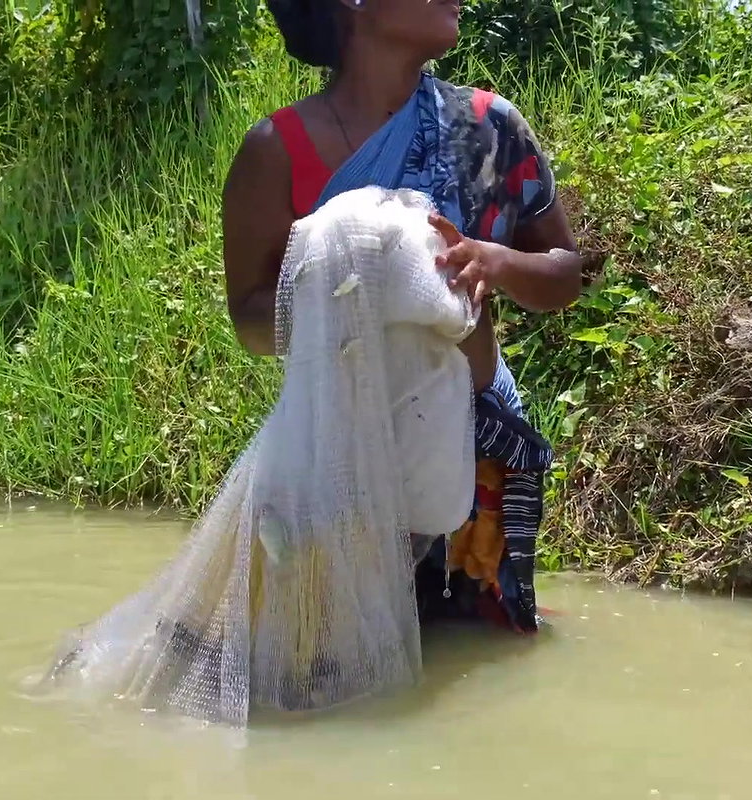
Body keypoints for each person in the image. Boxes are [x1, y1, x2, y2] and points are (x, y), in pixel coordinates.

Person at [222, 0, 587, 633]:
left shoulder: (487, 127)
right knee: (332, 662)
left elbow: (565, 273)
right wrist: (350, 294)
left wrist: (495, 261)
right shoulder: (276, 152)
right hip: (341, 455)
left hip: (474, 459)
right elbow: (250, 322)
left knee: (474, 662)